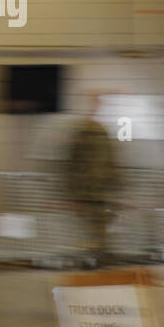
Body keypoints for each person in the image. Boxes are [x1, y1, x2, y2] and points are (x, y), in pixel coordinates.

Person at [64, 93, 120, 268]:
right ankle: (93, 258)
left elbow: (110, 162)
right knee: (90, 227)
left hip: (98, 191)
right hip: (87, 191)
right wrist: (72, 191)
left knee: (98, 226)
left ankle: (98, 258)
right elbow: (72, 164)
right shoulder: (83, 132)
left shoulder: (101, 132)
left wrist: (115, 187)